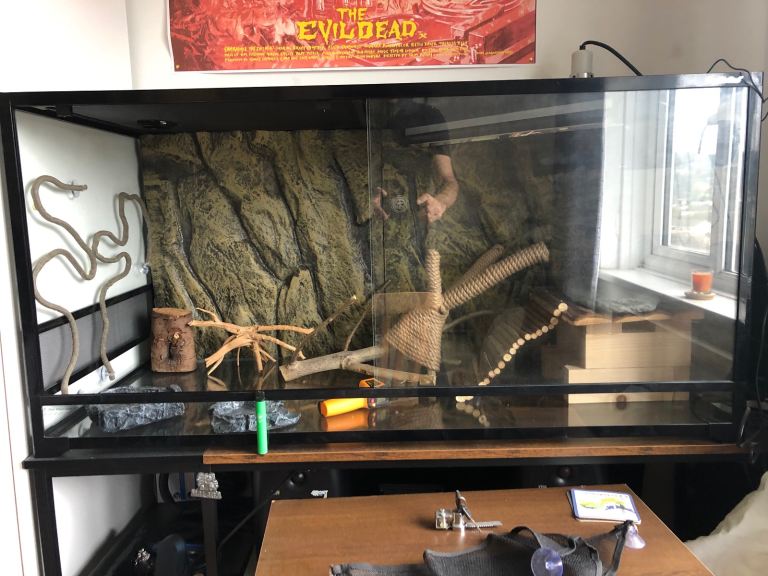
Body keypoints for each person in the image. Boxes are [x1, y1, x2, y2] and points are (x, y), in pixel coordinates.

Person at [373, 99, 459, 223]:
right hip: (380, 216)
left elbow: (449, 180)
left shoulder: (430, 117)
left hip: (418, 214)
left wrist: (440, 203)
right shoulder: (366, 109)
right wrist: (369, 194)